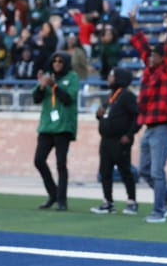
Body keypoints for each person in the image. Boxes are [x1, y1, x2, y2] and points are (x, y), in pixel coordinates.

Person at [130, 10, 167, 224]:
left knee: (157, 171)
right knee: (144, 171)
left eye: (154, 55)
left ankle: (158, 211)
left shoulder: (166, 69)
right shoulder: (149, 71)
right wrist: (134, 23)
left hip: (164, 126)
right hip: (149, 126)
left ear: (161, 57)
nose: (150, 57)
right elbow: (141, 46)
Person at [32, 51, 80, 211]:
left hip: (63, 127)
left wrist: (54, 86)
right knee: (39, 160)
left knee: (61, 164)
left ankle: (61, 200)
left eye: (60, 61)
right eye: (55, 61)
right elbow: (36, 99)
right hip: (47, 126)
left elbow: (68, 99)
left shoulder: (72, 77)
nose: (57, 63)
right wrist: (41, 86)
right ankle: (53, 193)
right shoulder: (47, 76)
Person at [90, 68, 140, 215]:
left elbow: (137, 117)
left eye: (111, 75)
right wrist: (99, 115)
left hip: (120, 140)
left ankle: (132, 202)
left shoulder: (127, 96)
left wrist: (129, 135)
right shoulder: (111, 95)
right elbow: (106, 114)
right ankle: (108, 202)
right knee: (105, 171)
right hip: (106, 140)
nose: (109, 78)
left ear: (119, 78)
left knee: (125, 171)